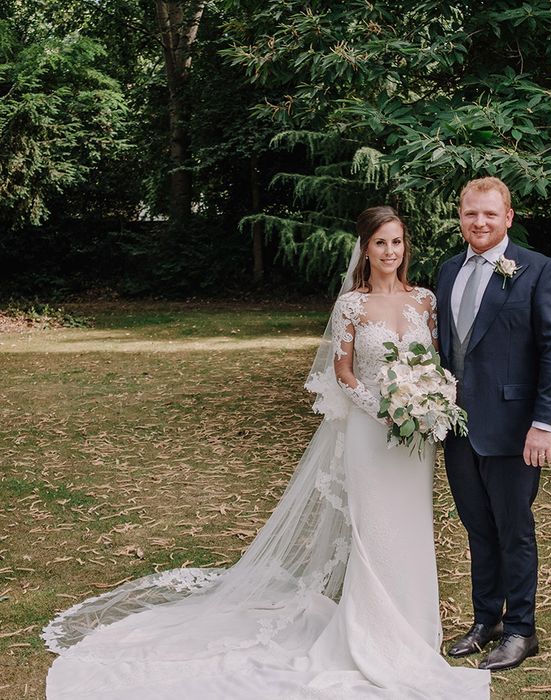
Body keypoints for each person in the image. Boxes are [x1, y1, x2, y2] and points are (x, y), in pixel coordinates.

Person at [43, 206, 490, 700]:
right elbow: (343, 371)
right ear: (365, 247)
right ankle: (369, 637)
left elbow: (431, 362)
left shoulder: (424, 300)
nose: (390, 252)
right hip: (371, 432)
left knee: (411, 529)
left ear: (407, 247)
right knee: (373, 532)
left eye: (398, 242)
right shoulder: (352, 306)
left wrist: (427, 404)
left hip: (414, 440)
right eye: (381, 242)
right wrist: (381, 409)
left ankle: (414, 632)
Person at [436, 177, 551, 671]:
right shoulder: (448, 271)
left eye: (490, 214)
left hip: (516, 428)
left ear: (508, 217)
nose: (480, 222)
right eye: (471, 214)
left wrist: (545, 422)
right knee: (477, 528)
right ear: (461, 217)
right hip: (457, 428)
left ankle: (521, 630)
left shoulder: (538, 270)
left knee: (514, 530)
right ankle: (486, 619)